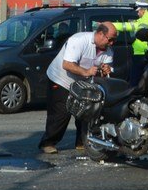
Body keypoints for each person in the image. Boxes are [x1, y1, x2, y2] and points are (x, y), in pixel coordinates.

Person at [38, 22, 117, 154]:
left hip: (83, 84)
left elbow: (105, 74)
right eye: (110, 39)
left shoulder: (109, 51)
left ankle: (82, 141)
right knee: (61, 113)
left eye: (114, 40)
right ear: (101, 34)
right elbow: (67, 64)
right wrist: (86, 72)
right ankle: (48, 142)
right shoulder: (79, 40)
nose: (112, 43)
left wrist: (106, 70)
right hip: (61, 79)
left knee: (87, 111)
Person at [127, 1, 148, 85]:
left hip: (142, 55)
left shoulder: (144, 22)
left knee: (136, 79)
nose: (137, 14)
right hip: (142, 54)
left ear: (143, 11)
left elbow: (125, 26)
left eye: (138, 11)